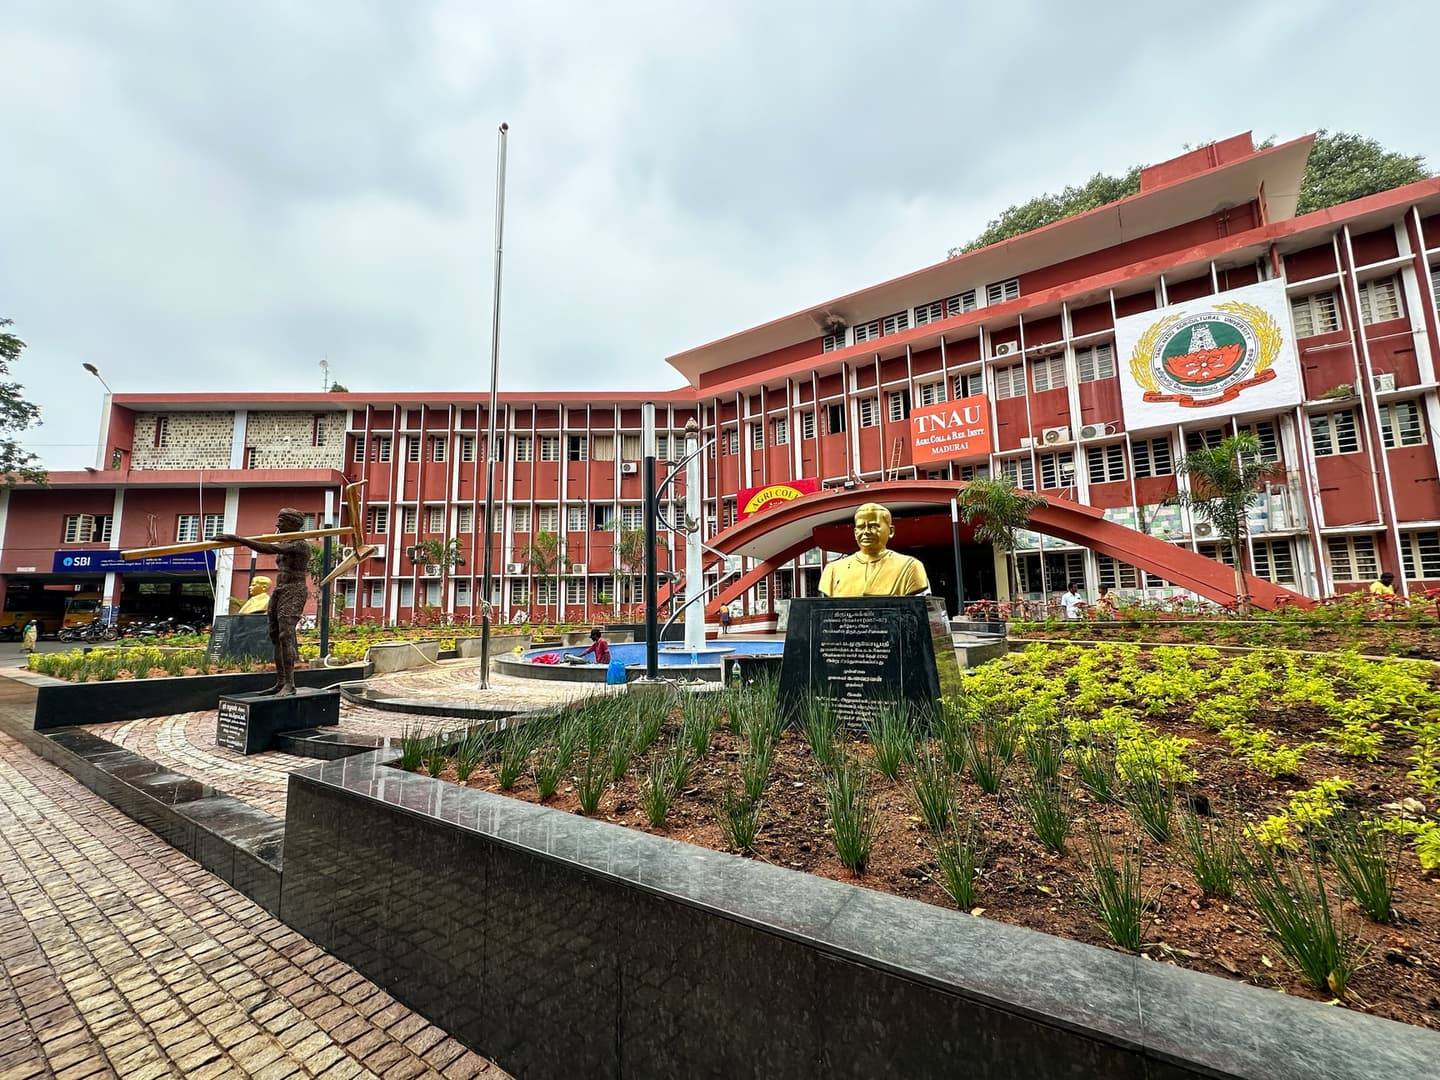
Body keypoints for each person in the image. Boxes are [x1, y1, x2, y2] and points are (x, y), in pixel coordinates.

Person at [217, 509, 311, 696]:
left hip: (294, 590)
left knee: (286, 634)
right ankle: (281, 681)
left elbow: (269, 549)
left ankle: (290, 685)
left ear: (293, 524)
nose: (277, 525)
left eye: (282, 521)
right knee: (275, 635)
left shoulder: (301, 544)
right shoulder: (285, 541)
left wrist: (239, 539)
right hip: (280, 589)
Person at [818, 503, 929, 597]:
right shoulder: (833, 570)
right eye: (861, 527)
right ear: (855, 532)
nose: (866, 532)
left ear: (891, 531)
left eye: (873, 526)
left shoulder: (910, 567)